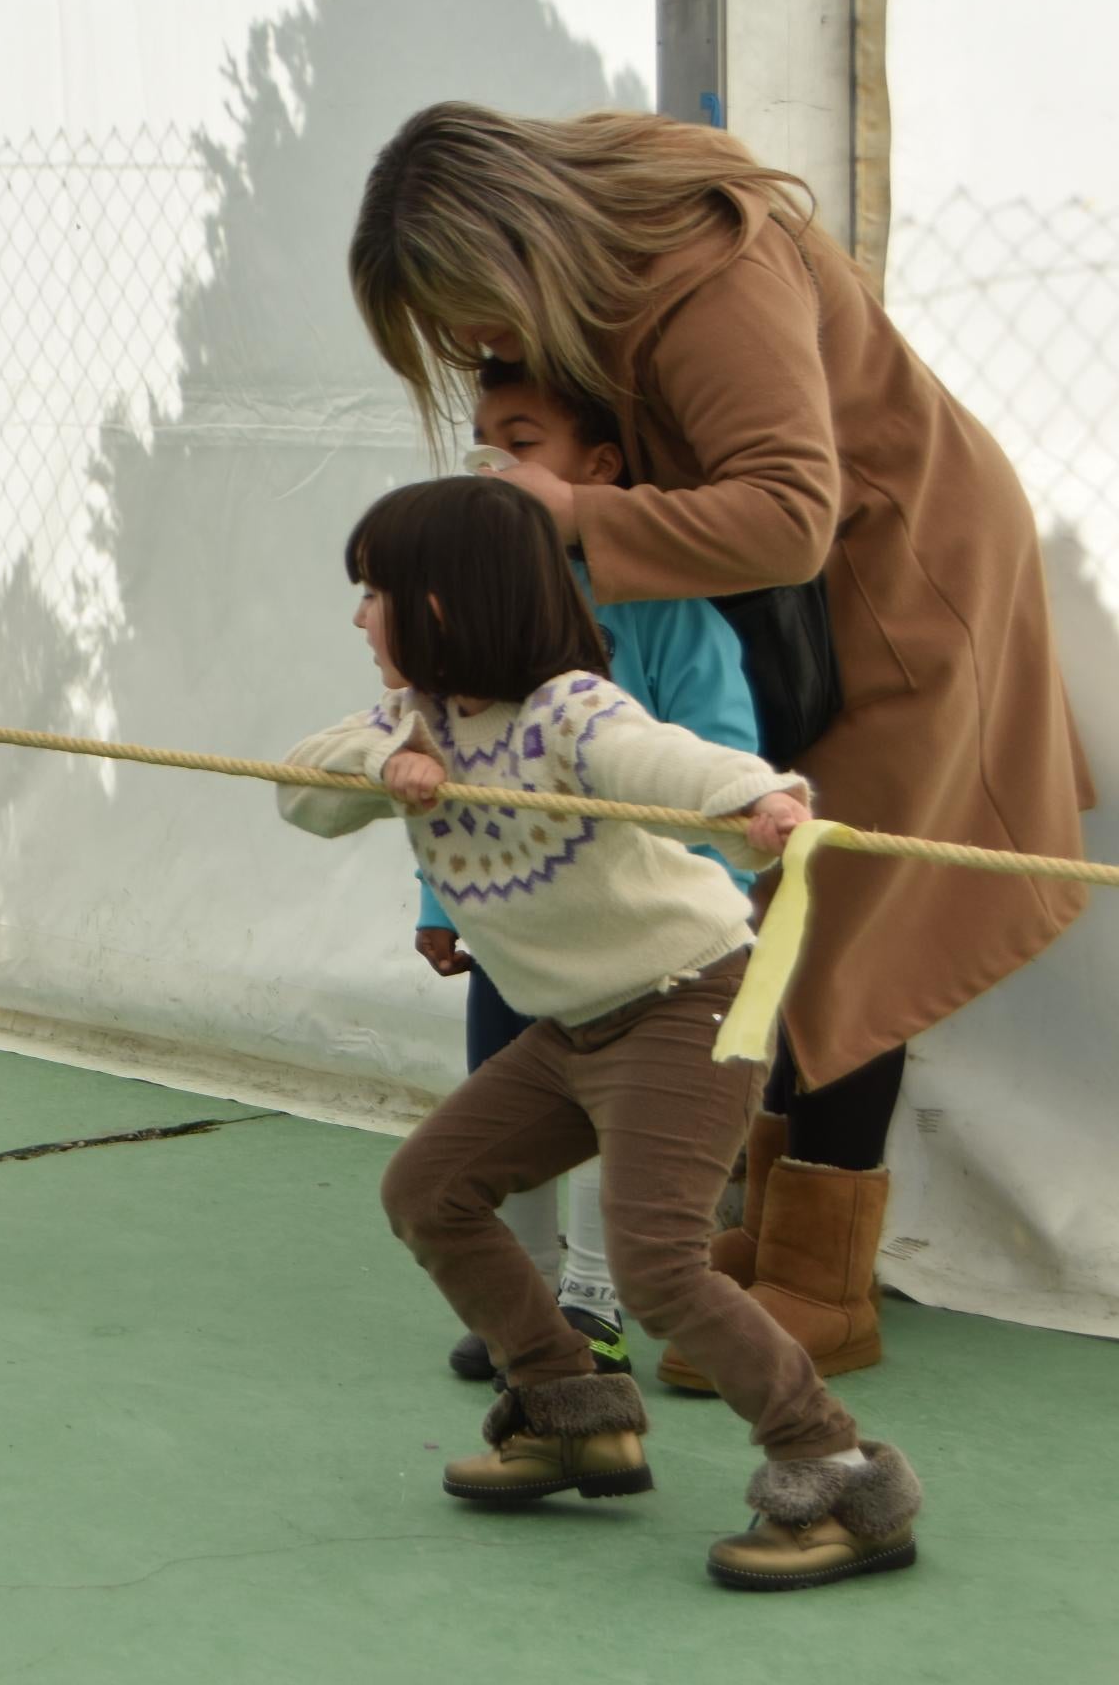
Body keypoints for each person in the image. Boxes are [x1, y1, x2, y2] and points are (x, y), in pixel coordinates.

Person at [350, 103, 1093, 1380]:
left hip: (905, 585)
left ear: (515, 241)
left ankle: (824, 1279)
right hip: (802, 612)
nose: (474, 344)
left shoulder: (705, 271)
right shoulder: (623, 264)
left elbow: (794, 516)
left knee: (852, 916)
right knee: (767, 914)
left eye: (469, 306)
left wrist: (565, 511)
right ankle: (767, 1241)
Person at [284, 475, 920, 1593]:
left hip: (689, 999)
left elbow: (665, 761)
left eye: (372, 590)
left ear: (444, 603)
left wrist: (759, 797)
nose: (357, 617)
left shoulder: (569, 711)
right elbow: (301, 786)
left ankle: (841, 1473)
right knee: (428, 1190)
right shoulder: (410, 724)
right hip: (576, 1024)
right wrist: (386, 768)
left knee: (657, 1263)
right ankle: (573, 1412)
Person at [420, 361, 765, 1384]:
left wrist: (695, 892)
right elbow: (442, 779)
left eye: (520, 443)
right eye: (479, 441)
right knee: (498, 1104)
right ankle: (514, 1304)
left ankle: (594, 1301)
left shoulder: (668, 613)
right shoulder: (477, 619)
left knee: (620, 1124)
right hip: (517, 934)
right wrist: (439, 901)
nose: (492, 463)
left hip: (643, 954)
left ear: (599, 468)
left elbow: (716, 754)